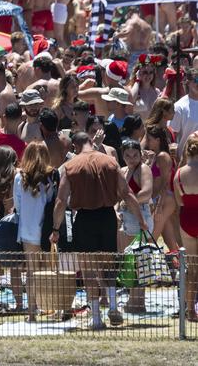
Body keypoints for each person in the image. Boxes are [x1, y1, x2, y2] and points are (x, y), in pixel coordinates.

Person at [50, 132, 148, 329]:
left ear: (75, 147)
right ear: (90, 142)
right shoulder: (110, 162)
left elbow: (61, 202)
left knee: (88, 270)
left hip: (85, 219)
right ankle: (113, 306)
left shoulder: (71, 166)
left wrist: (55, 229)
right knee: (109, 266)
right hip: (107, 218)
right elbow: (127, 194)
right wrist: (141, 219)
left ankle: (96, 318)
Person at [13, 141, 56, 321]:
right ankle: (50, 307)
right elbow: (51, 201)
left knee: (31, 271)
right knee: (47, 270)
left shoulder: (19, 177)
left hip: (28, 230)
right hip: (46, 229)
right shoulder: (50, 176)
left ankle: (32, 312)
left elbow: (17, 205)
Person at [118, 139, 154, 313]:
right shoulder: (123, 170)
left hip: (140, 217)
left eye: (135, 155)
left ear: (140, 155)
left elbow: (147, 192)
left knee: (138, 260)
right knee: (131, 261)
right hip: (127, 218)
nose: (131, 159)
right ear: (122, 155)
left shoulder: (143, 169)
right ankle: (135, 299)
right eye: (127, 155)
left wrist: (127, 203)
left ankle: (138, 302)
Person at [172, 133, 198, 321]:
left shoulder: (179, 173)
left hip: (187, 219)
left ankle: (190, 310)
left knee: (191, 268)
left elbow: (179, 202)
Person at [170, 67, 198, 159]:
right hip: (187, 160)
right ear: (188, 82)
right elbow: (172, 135)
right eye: (196, 80)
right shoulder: (179, 106)